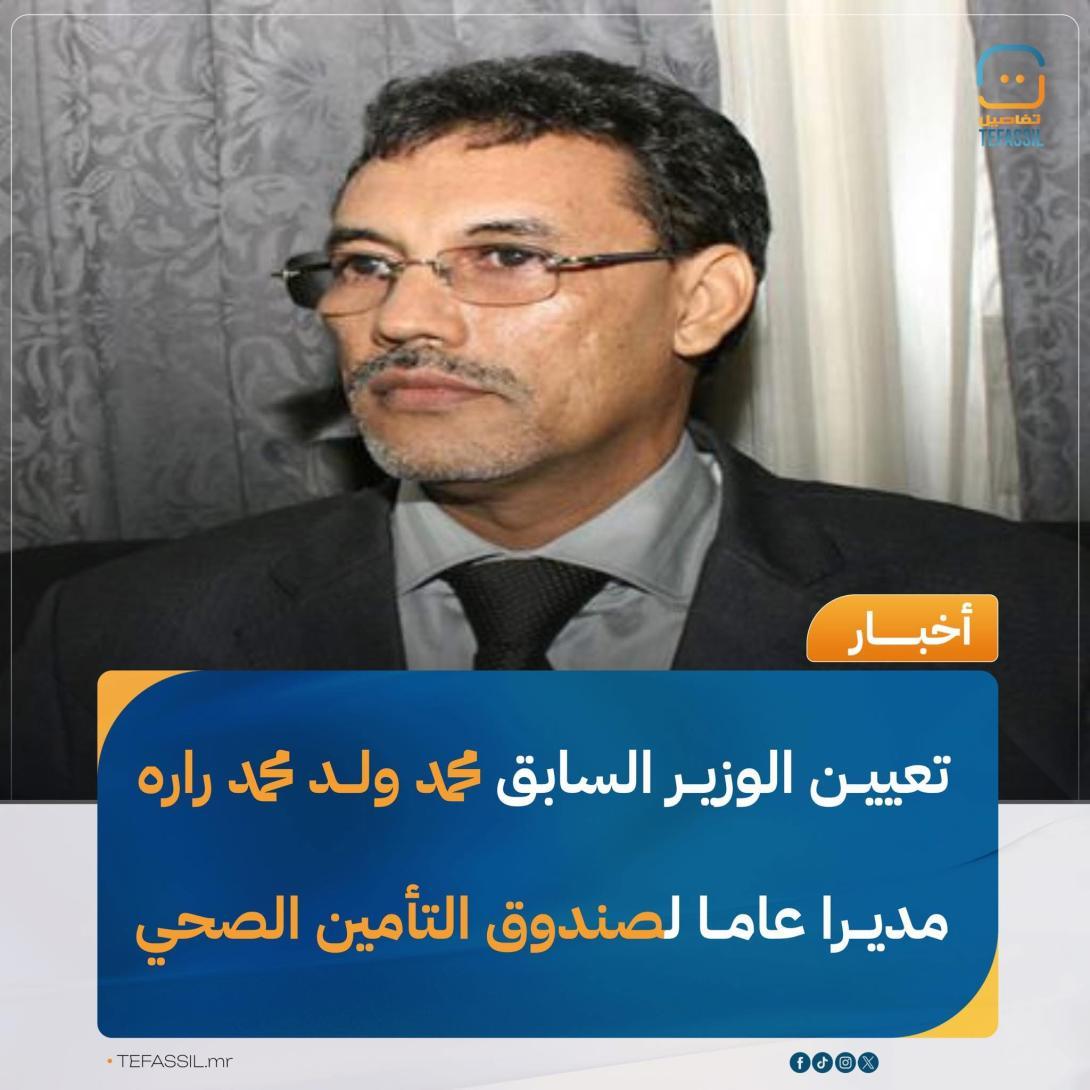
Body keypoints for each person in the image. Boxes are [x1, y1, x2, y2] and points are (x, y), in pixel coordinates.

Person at [7, 52, 1079, 801]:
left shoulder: (1028, 618)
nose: (402, 318)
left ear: (702, 300)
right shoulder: (117, 638)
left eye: (506, 257)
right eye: (366, 264)